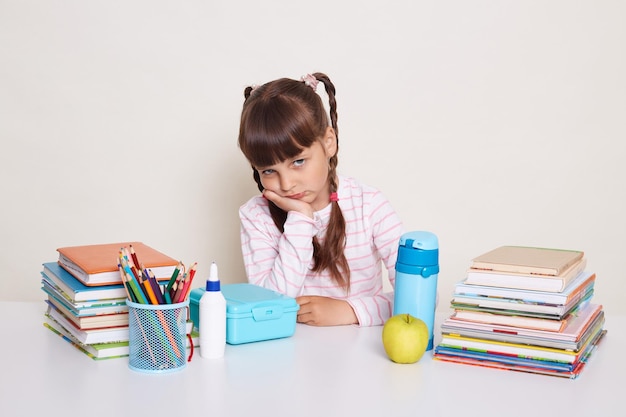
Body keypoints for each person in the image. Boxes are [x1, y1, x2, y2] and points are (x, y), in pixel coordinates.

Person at [237, 72, 403, 327]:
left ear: (329, 142)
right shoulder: (257, 216)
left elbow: (420, 299)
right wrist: (301, 218)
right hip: (289, 357)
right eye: (268, 171)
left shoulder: (368, 205)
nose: (286, 184)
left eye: (298, 162)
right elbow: (267, 305)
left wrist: (350, 311)